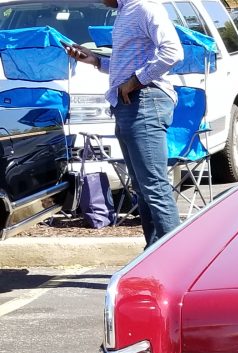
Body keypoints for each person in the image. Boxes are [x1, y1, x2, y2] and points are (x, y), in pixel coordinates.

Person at [65, 0, 182, 247]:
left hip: (145, 101)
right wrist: (96, 61)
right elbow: (127, 65)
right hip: (129, 105)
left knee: (154, 188)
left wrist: (136, 81)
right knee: (144, 189)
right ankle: (154, 258)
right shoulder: (126, 12)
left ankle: (177, 261)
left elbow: (173, 52)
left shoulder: (144, 7)